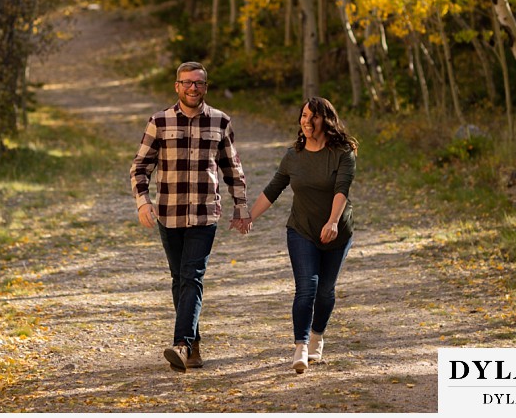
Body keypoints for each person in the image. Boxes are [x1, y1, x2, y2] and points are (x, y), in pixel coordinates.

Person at [130, 61, 250, 371]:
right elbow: (140, 167)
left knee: (192, 276)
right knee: (179, 278)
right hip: (168, 215)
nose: (192, 88)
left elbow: (232, 170)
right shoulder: (159, 122)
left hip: (204, 214)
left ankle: (181, 344)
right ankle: (194, 345)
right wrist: (143, 202)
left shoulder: (221, 123)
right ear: (177, 86)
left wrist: (241, 207)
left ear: (205, 88)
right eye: (186, 82)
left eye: (198, 83)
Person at [232, 96, 357, 373]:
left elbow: (342, 190)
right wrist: (249, 216)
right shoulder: (293, 156)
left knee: (325, 292)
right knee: (307, 287)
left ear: (326, 120)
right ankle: (300, 346)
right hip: (301, 230)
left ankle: (317, 336)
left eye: (313, 116)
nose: (306, 121)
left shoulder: (343, 153)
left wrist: (333, 221)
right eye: (303, 115)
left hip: (337, 232)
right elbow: (274, 188)